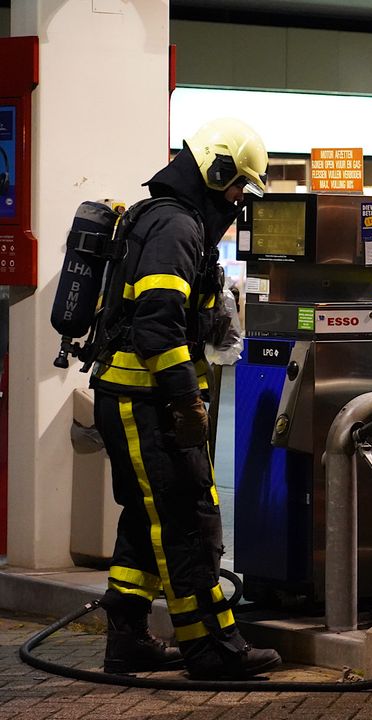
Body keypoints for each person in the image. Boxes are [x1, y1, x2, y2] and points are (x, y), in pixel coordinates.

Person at [89, 118, 281, 679]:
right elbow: (156, 328)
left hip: (131, 396)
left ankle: (126, 637)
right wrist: (184, 402)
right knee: (189, 521)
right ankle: (211, 648)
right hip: (146, 401)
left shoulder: (168, 219)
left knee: (149, 518)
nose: (238, 200)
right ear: (215, 170)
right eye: (237, 186)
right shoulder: (177, 226)